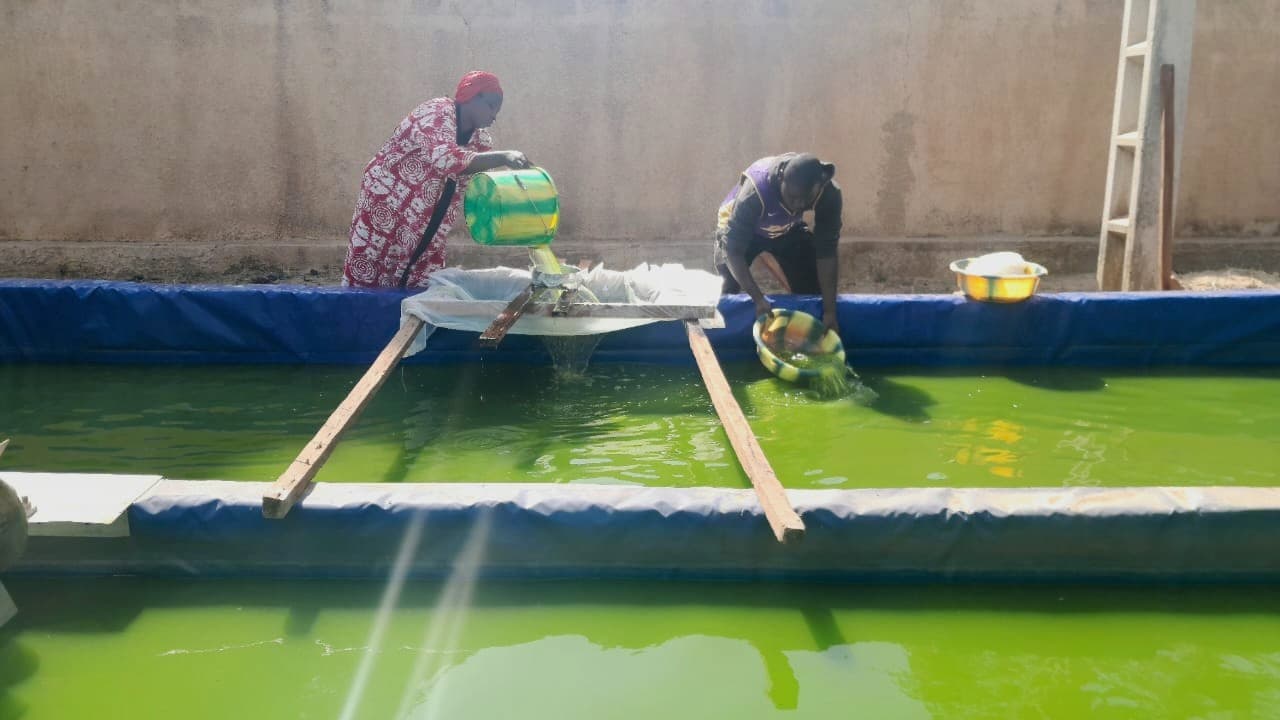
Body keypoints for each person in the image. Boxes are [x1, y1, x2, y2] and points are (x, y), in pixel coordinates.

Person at [343, 71, 531, 289]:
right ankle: (357, 317)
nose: (494, 115)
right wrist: (503, 156)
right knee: (373, 266)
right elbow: (445, 158)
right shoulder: (437, 111)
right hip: (388, 201)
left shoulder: (480, 140)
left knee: (421, 276)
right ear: (472, 96)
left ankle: (408, 320)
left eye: (497, 110)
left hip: (430, 212)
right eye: (491, 105)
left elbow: (475, 179)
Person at [714, 152, 843, 333]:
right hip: (742, 231)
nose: (797, 205)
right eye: (792, 197)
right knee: (727, 287)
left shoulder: (828, 193)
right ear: (781, 180)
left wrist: (830, 311)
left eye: (805, 200)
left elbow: (827, 250)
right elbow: (732, 250)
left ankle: (802, 331)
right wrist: (758, 298)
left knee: (811, 291)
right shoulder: (755, 193)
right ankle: (723, 336)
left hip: (787, 228)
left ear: (818, 186)